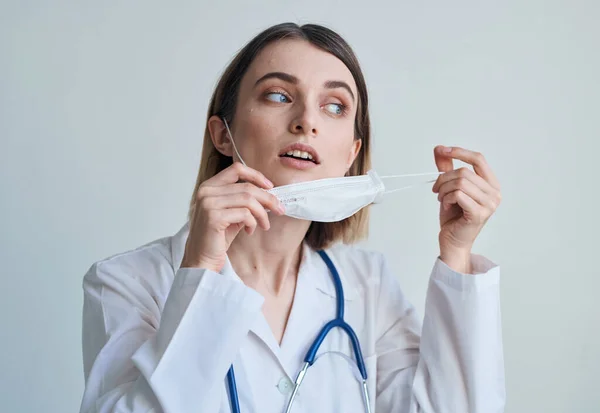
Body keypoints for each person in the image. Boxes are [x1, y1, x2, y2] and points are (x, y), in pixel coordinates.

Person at [79, 22, 505, 413]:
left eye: (335, 106)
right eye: (279, 96)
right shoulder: (126, 282)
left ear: (351, 154)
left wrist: (458, 254)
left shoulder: (368, 285)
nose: (307, 122)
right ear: (222, 134)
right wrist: (203, 274)